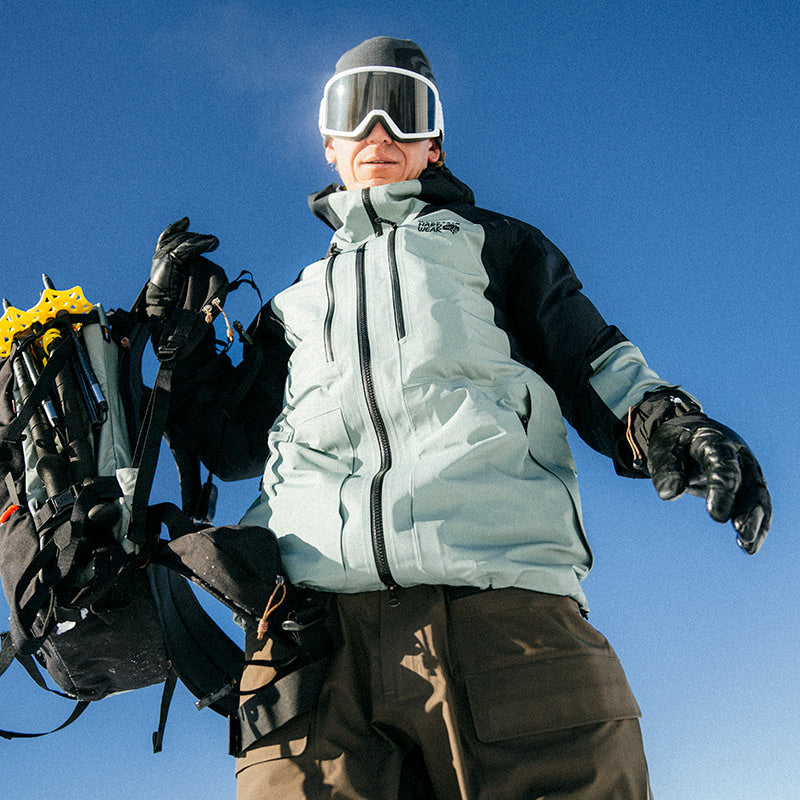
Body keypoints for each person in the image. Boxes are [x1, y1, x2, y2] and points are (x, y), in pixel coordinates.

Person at [146, 36, 771, 800]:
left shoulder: (494, 245)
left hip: (501, 623)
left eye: (403, 111)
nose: (379, 131)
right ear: (330, 144)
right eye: (356, 111)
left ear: (433, 144)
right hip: (314, 651)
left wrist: (667, 424)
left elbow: (590, 359)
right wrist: (181, 342)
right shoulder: (295, 304)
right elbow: (232, 444)